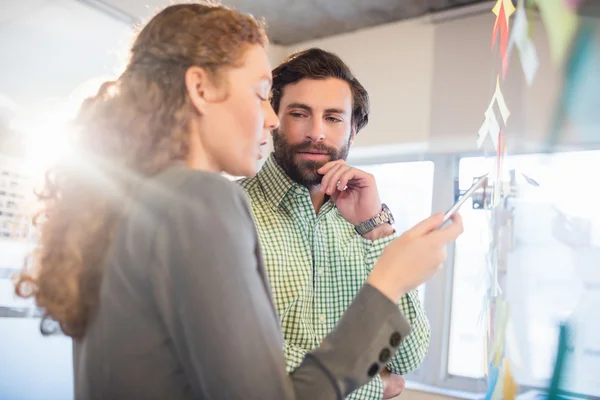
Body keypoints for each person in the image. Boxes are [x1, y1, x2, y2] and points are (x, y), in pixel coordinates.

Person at [14, 3, 463, 399]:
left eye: (332, 117)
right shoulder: (203, 199)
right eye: (259, 95)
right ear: (201, 89)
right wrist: (387, 282)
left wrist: (380, 237)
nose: (270, 120)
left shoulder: (136, 199)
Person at [239, 48, 428, 399]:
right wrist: (375, 386)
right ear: (273, 118)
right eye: (299, 113)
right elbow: (245, 362)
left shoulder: (367, 224)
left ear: (353, 130)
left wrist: (378, 232)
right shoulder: (230, 211)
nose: (316, 133)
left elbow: (407, 357)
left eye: (333, 118)